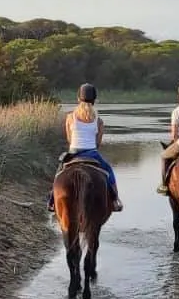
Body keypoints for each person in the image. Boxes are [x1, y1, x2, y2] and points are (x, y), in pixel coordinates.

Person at [48, 83, 123, 213]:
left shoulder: (70, 117)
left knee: (58, 173)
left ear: (78, 98)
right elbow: (97, 143)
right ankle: (115, 200)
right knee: (108, 170)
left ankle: (52, 201)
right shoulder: (98, 120)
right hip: (92, 153)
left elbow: (69, 139)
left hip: (73, 153)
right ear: (94, 100)